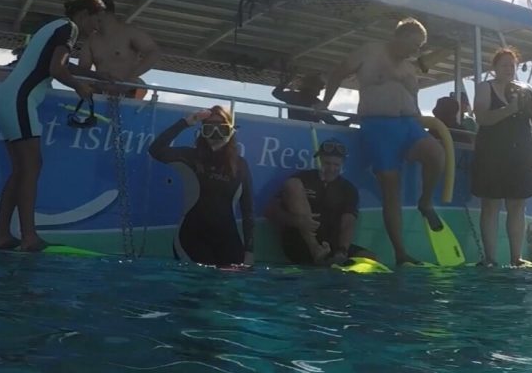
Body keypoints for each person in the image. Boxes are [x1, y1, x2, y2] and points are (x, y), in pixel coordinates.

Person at [320, 17, 444, 267]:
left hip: (409, 125)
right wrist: (324, 104)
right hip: (378, 126)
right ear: (401, 36)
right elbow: (338, 72)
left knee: (436, 153)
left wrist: (421, 123)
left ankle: (425, 201)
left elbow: (415, 104)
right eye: (415, 44)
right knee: (391, 190)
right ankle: (401, 253)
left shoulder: (410, 69)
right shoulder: (370, 51)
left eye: (420, 47)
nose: (416, 51)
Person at [0, 0, 101, 251]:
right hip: (20, 99)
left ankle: (1, 235)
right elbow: (57, 69)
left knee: (21, 169)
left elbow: (61, 63)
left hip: (9, 98)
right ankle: (29, 237)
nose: (96, 27)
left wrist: (96, 74)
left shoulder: (55, 26)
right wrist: (80, 87)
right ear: (84, 15)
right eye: (96, 20)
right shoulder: (69, 28)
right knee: (32, 166)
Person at [149, 105, 255, 267]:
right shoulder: (190, 157)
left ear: (232, 131)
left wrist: (249, 251)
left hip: (228, 240)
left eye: (222, 129)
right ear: (202, 132)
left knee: (228, 290)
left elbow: (248, 210)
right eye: (209, 128)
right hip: (191, 238)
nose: (215, 134)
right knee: (198, 288)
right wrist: (186, 122)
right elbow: (155, 150)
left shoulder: (240, 165)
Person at [471, 47, 532, 266]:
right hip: (492, 152)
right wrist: (511, 108)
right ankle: (490, 258)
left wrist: (531, 106)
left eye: (512, 65)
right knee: (491, 204)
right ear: (494, 68)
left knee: (517, 205)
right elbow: (482, 117)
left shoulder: (526, 89)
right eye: (504, 65)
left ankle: (516, 257)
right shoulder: (485, 87)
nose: (508, 69)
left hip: (520, 152)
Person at [263, 139, 373, 266]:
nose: (331, 169)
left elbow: (348, 222)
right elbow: (270, 211)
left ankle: (330, 258)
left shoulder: (348, 189)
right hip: (300, 244)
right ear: (319, 160)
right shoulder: (302, 179)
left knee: (370, 259)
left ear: (342, 164)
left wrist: (342, 251)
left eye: (336, 165)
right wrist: (296, 221)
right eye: (327, 163)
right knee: (293, 184)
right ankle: (315, 249)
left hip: (332, 245)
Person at [76, 0, 159, 100]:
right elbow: (82, 71)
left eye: (87, 15)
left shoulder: (130, 32)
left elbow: (153, 52)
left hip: (128, 92)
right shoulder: (91, 41)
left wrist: (130, 77)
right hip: (100, 92)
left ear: (100, 13)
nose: (85, 21)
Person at [272, 73, 348, 125]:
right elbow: (333, 123)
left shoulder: (293, 96)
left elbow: (276, 93)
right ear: (312, 87)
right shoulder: (317, 102)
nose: (320, 91)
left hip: (292, 130)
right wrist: (352, 120)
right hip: (311, 135)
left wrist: (287, 80)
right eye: (319, 88)